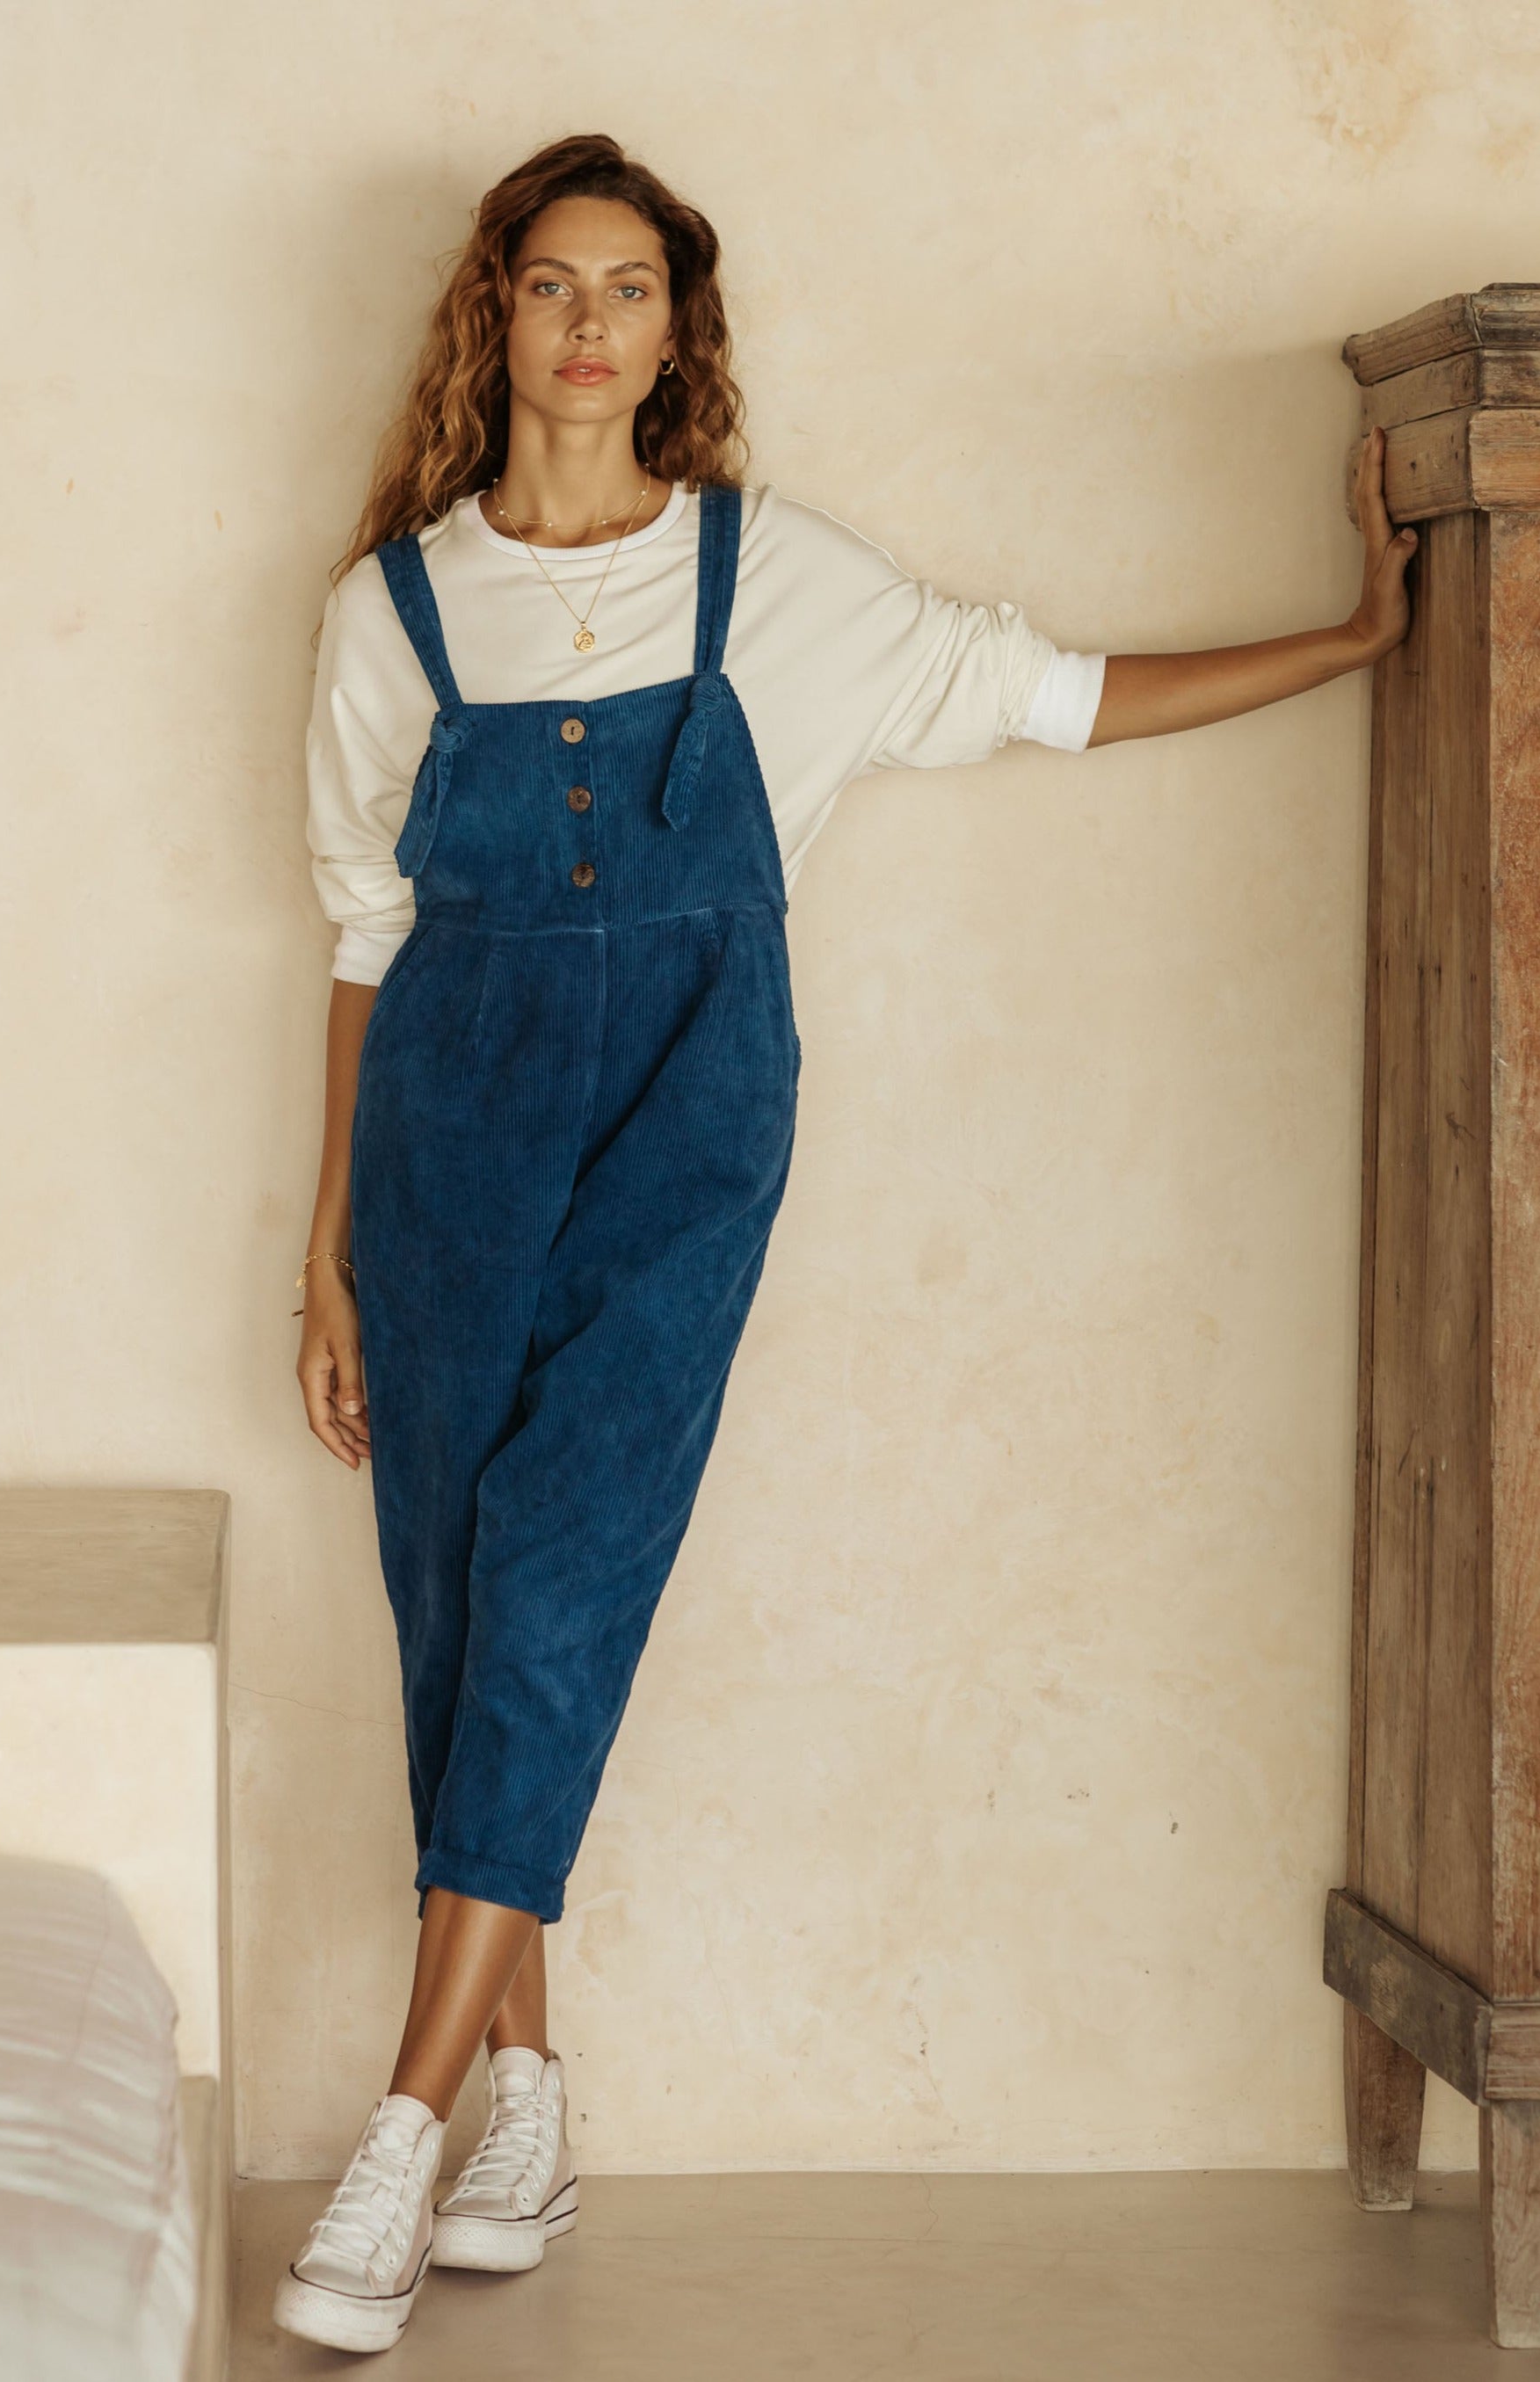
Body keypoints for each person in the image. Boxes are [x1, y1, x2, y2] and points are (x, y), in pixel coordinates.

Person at [276, 130, 1416, 2353]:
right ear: (495, 314)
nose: (588, 324)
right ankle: (527, 2100)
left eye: (628, 288)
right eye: (551, 282)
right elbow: (360, 931)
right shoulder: (390, 609)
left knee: (565, 1567)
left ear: (674, 333)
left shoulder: (773, 581)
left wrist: (1360, 635)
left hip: (688, 1139)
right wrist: (322, 1252)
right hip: (440, 1139)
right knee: (458, 1596)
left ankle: (399, 2128)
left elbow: (1052, 689)